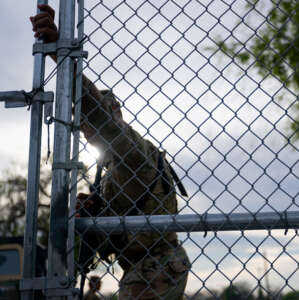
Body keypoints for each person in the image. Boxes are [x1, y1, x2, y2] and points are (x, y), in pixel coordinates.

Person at [30, 4, 190, 300]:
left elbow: (104, 122)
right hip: (141, 265)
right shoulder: (111, 165)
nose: (87, 129)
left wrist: (61, 54)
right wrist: (95, 213)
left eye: (92, 120)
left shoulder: (134, 153)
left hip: (156, 266)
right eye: (83, 123)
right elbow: (123, 222)